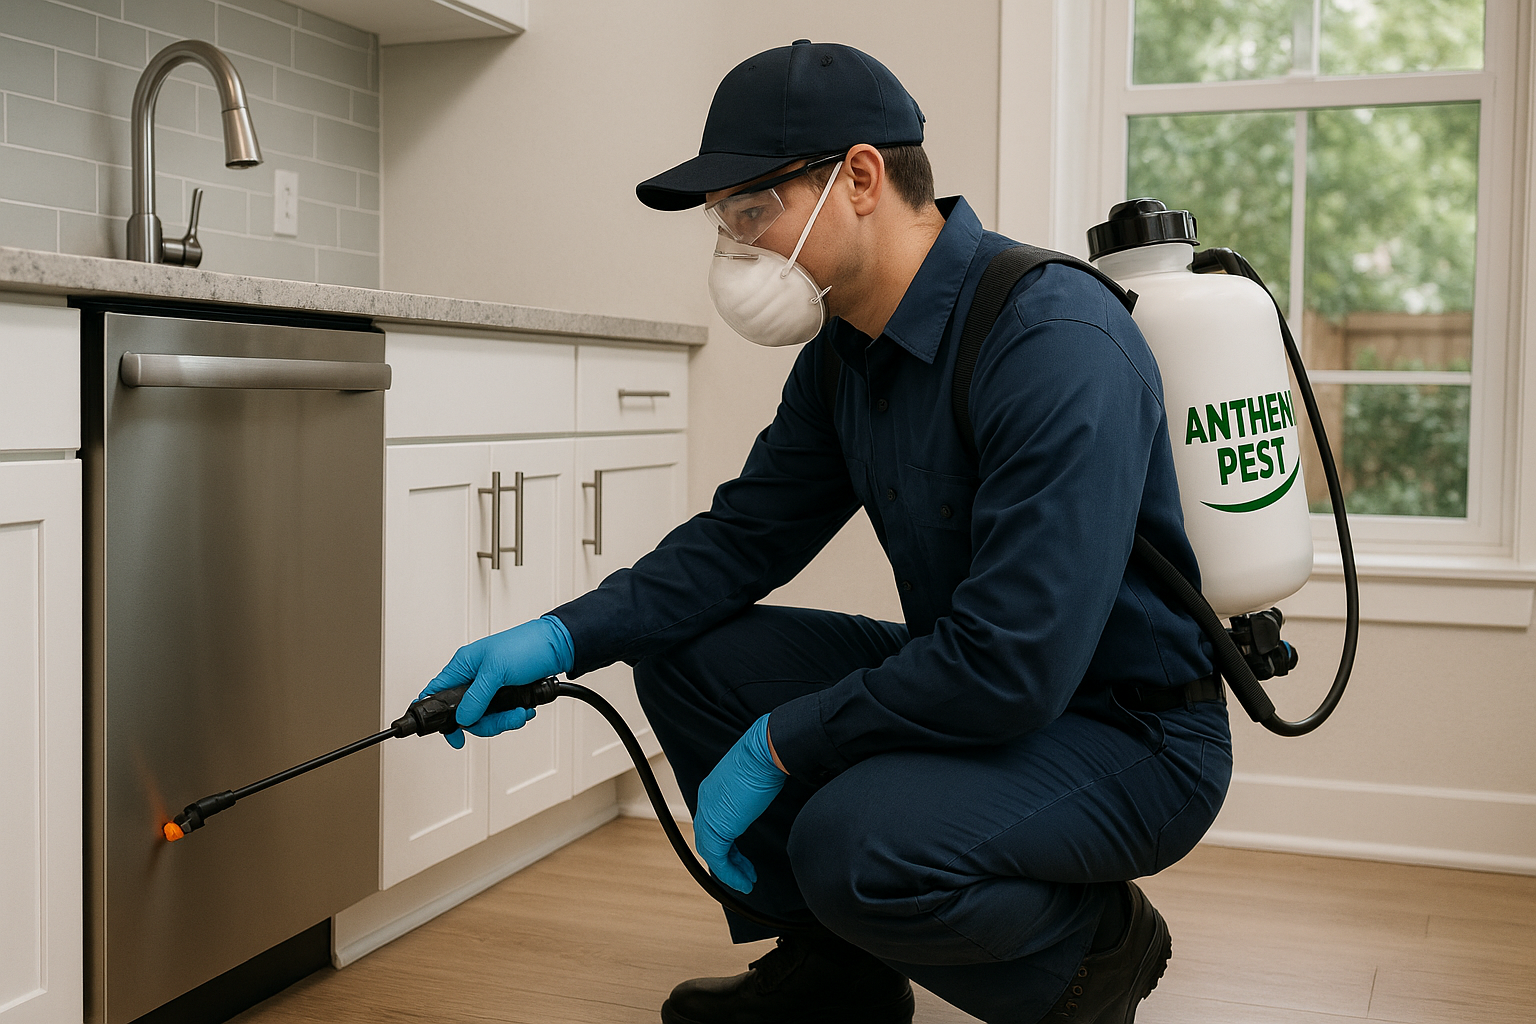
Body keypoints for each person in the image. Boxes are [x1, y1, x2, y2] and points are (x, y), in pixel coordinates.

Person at [421, 39, 1232, 1024]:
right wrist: (562, 637)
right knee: (686, 654)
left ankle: (1090, 956)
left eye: (751, 210)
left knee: (855, 844)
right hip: (988, 683)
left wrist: (780, 741)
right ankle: (837, 978)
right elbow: (743, 537)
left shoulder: (1052, 342)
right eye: (724, 223)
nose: (735, 247)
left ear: (859, 177)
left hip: (1128, 729)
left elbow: (1015, 664)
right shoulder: (851, 351)